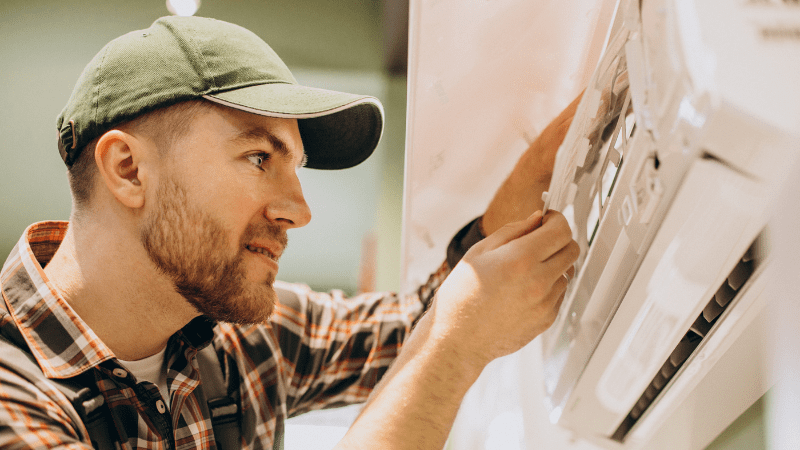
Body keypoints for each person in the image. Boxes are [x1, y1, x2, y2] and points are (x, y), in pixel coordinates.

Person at [0, 15, 579, 450]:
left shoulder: (240, 337)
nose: (299, 212)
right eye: (258, 158)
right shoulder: (14, 399)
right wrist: (455, 352)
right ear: (128, 170)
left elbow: (420, 322)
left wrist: (538, 175)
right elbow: (443, 335)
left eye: (294, 167)